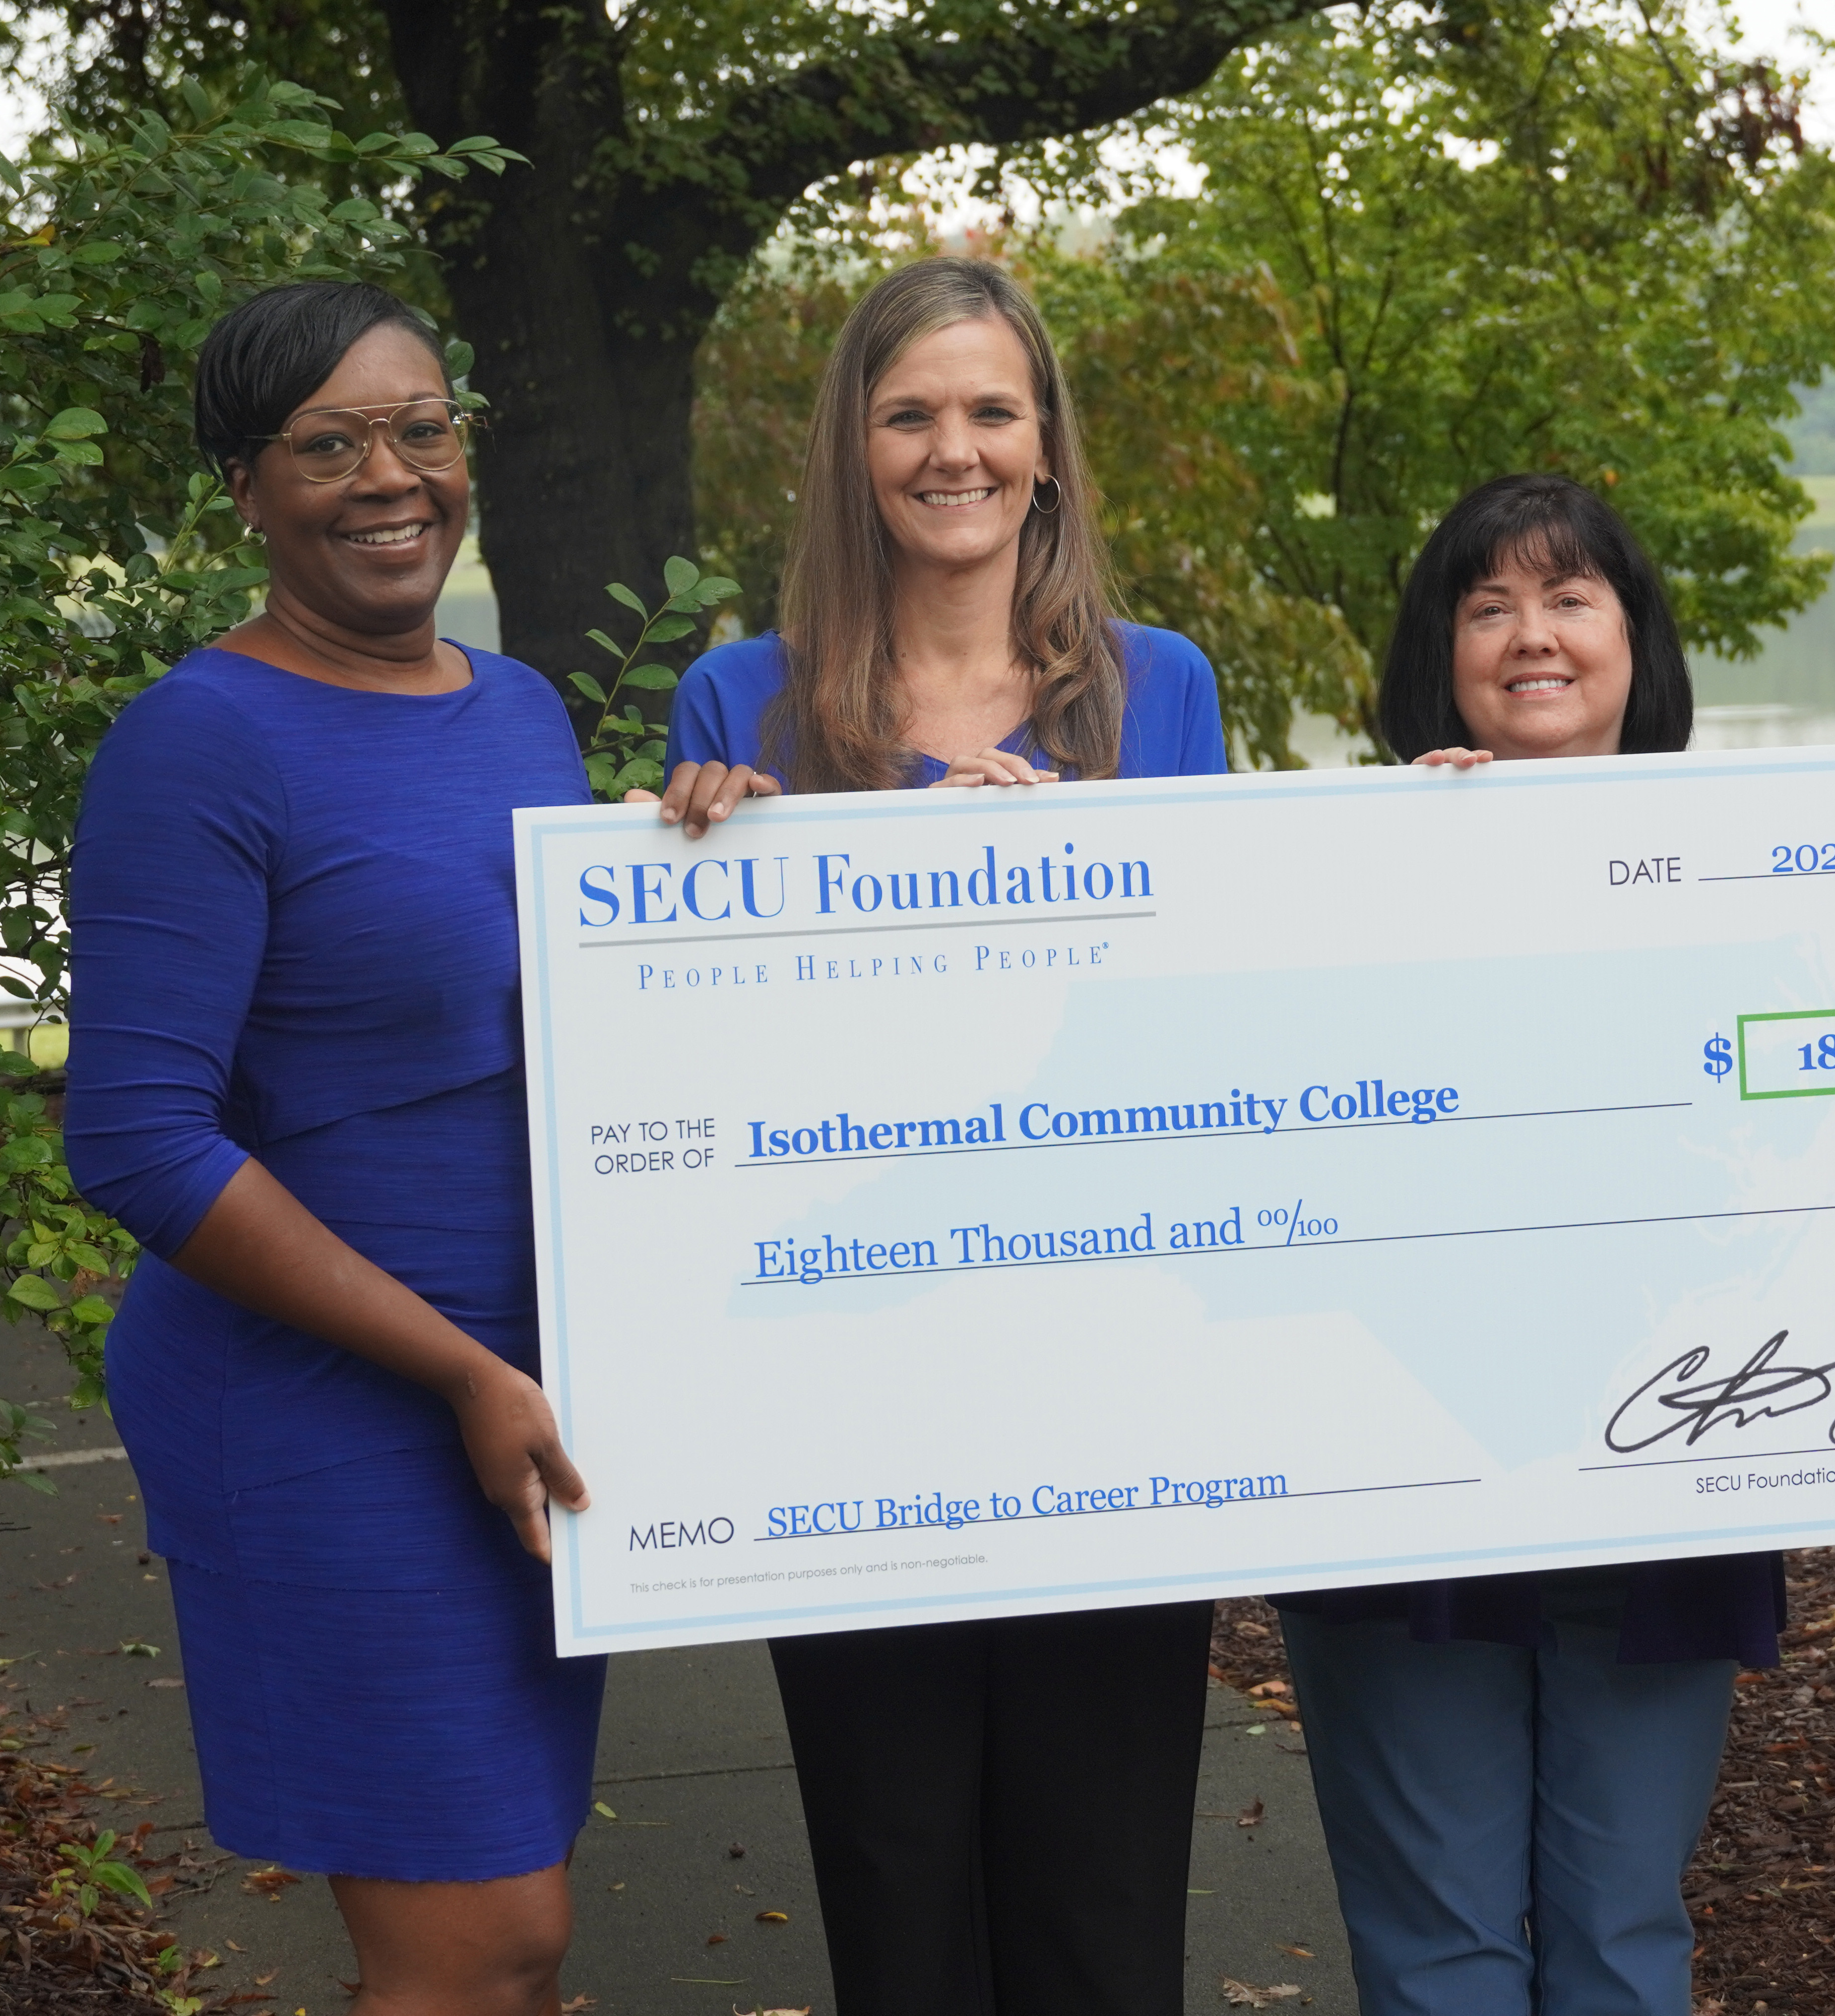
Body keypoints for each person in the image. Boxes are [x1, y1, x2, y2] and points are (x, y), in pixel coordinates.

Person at [663, 255, 1228, 2015]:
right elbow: (709, 1071)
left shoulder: (1163, 693)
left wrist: (1065, 879)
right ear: (853, 447)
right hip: (849, 1408)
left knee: (1104, 1909)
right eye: (910, 413)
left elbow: (1223, 1030)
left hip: (1115, 1390)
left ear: (1047, 447)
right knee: (902, 1905)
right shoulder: (741, 707)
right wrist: (699, 870)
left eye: (990, 411)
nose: (952, 449)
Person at [67, 281, 607, 2016]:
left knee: (518, 1943)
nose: (392, 476)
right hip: (326, 1405)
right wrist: (459, 1371)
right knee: (474, 1943)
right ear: (245, 485)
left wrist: (707, 865)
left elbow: (569, 1023)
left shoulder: (520, 709)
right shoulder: (199, 741)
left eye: (422, 428)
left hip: (523, 1398)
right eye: (328, 443)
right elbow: (139, 1142)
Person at [1270, 473, 1786, 2016]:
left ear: (1638, 639)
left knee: (1625, 1932)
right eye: (1487, 605)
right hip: (1407, 1489)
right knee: (1441, 1955)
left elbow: (1829, 1155)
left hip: (1664, 1480)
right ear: (1442, 649)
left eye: (1569, 598)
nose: (1531, 635)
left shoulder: (1758, 865)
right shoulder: (1329, 878)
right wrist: (1402, 897)